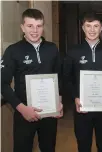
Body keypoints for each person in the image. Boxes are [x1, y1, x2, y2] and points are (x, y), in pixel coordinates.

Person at [1, 8, 63, 152]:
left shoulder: (52, 48)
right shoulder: (13, 51)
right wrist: (22, 109)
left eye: (39, 26)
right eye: (30, 26)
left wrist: (58, 102)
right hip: (24, 113)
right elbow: (2, 84)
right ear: (22, 27)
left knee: (49, 148)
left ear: (43, 27)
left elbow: (58, 77)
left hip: (49, 113)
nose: (35, 30)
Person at [63, 12, 102, 152]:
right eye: (88, 26)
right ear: (83, 28)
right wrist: (75, 96)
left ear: (101, 29)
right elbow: (67, 78)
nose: (92, 30)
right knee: (83, 145)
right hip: (82, 109)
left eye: (96, 26)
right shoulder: (73, 52)